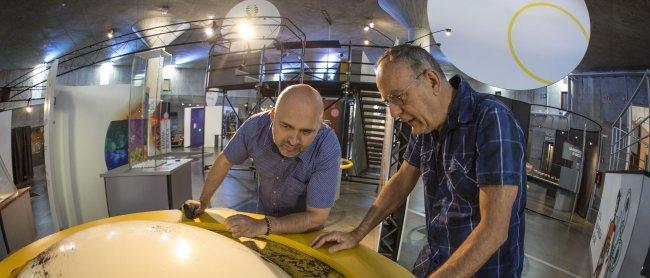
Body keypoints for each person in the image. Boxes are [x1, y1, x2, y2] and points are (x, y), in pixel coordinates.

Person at [311, 44, 526, 277]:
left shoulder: (492, 119)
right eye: (387, 102)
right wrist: (357, 233)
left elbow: (494, 229)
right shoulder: (423, 126)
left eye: (398, 97)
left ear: (432, 81)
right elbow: (402, 179)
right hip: (435, 260)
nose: (393, 112)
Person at [184, 84, 341, 238]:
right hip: (263, 219)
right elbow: (225, 160)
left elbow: (316, 217)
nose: (293, 141)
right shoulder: (255, 127)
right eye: (286, 126)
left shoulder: (327, 146)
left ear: (318, 126)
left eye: (306, 131)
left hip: (303, 231)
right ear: (272, 116)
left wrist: (261, 225)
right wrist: (203, 202)